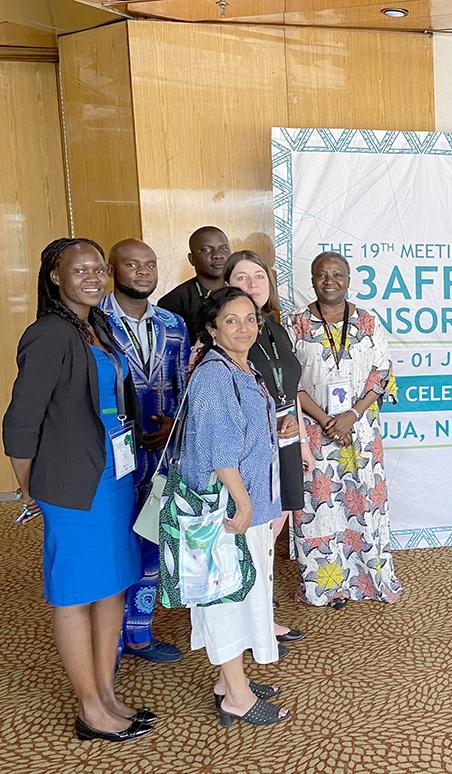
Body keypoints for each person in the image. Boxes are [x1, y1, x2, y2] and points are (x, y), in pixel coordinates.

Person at [4, 238, 154, 741]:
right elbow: (21, 421)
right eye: (79, 269)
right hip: (72, 485)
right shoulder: (48, 334)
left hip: (114, 476)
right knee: (74, 595)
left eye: (97, 269)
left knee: (111, 587)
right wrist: (29, 488)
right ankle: (90, 709)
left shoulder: (100, 327)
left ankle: (108, 694)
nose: (93, 277)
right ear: (54, 277)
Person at [183, 287, 290, 725]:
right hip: (226, 510)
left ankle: (229, 681)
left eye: (251, 319)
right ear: (211, 329)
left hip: (247, 505)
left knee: (242, 591)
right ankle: (237, 698)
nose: (244, 328)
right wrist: (244, 506)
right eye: (231, 320)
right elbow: (221, 452)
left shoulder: (240, 367)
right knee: (225, 595)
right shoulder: (213, 375)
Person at [288, 252, 401, 607]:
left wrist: (351, 415)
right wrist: (326, 420)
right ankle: (326, 585)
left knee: (363, 502)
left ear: (349, 280)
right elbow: (289, 383)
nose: (330, 281)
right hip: (313, 434)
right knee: (320, 508)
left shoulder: (367, 321)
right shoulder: (296, 325)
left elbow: (381, 374)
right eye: (322, 274)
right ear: (312, 279)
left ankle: (369, 580)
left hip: (361, 432)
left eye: (338, 274)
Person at [100, 239, 190, 664]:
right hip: (108, 459)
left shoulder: (173, 324)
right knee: (113, 546)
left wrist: (175, 425)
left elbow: (184, 384)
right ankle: (108, 643)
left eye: (150, 264)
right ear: (112, 270)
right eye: (132, 265)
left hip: (161, 452)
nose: (142, 272)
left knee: (152, 540)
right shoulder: (92, 322)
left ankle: (139, 633)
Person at [224, 251, 307, 642]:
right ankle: (250, 619)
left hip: (287, 442)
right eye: (241, 278)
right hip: (251, 449)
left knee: (273, 529)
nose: (252, 285)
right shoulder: (230, 333)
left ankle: (260, 611)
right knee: (252, 534)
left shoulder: (274, 327)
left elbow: (290, 389)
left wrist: (302, 444)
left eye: (259, 277)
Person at [158, 226, 231, 340]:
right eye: (206, 250)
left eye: (224, 249)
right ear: (192, 259)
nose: (218, 255)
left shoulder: (241, 292)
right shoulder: (173, 302)